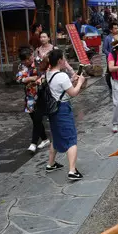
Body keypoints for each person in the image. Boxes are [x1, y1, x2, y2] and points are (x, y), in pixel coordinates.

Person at [45, 48, 86, 180]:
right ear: (59, 61)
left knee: (56, 135)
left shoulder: (49, 73)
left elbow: (63, 88)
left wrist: (72, 81)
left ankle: (50, 163)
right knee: (71, 139)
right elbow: (73, 93)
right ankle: (72, 170)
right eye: (64, 58)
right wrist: (79, 82)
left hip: (52, 109)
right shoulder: (62, 76)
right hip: (62, 109)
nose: (65, 61)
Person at [16, 47, 50, 154]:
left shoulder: (39, 62)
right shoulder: (21, 66)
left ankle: (33, 143)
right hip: (29, 96)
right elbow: (19, 79)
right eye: (26, 59)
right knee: (36, 120)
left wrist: (36, 79)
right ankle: (45, 139)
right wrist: (30, 78)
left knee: (37, 119)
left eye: (30, 57)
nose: (29, 60)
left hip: (40, 95)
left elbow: (44, 75)